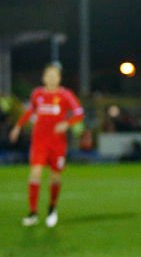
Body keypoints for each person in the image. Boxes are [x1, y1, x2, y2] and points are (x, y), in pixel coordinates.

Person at [8, 63, 84, 227]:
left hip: (57, 143)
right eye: (48, 76)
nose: (51, 78)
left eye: (54, 76)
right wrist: (18, 126)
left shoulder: (66, 95)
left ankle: (52, 208)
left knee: (55, 177)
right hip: (39, 141)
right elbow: (30, 111)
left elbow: (79, 113)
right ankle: (33, 212)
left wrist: (67, 124)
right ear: (43, 78)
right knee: (35, 173)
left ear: (59, 78)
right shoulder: (37, 94)